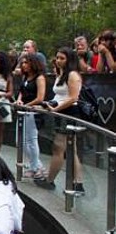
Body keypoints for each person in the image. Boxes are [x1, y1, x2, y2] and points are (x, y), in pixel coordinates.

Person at [35, 48, 86, 194]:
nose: (58, 61)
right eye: (57, 58)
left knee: (59, 148)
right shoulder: (62, 74)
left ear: (69, 59)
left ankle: (50, 180)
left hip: (69, 113)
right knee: (70, 150)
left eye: (62, 58)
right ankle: (78, 183)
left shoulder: (73, 75)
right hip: (61, 112)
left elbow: (73, 97)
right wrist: (49, 104)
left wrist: (56, 109)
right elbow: (60, 97)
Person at [15, 54, 47, 179]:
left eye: (26, 63)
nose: (23, 65)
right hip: (24, 111)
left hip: (33, 112)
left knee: (31, 140)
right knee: (20, 141)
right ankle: (37, 165)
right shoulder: (26, 77)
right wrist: (19, 101)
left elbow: (40, 97)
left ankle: (35, 167)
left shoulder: (40, 78)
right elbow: (21, 92)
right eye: (22, 63)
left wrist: (26, 105)